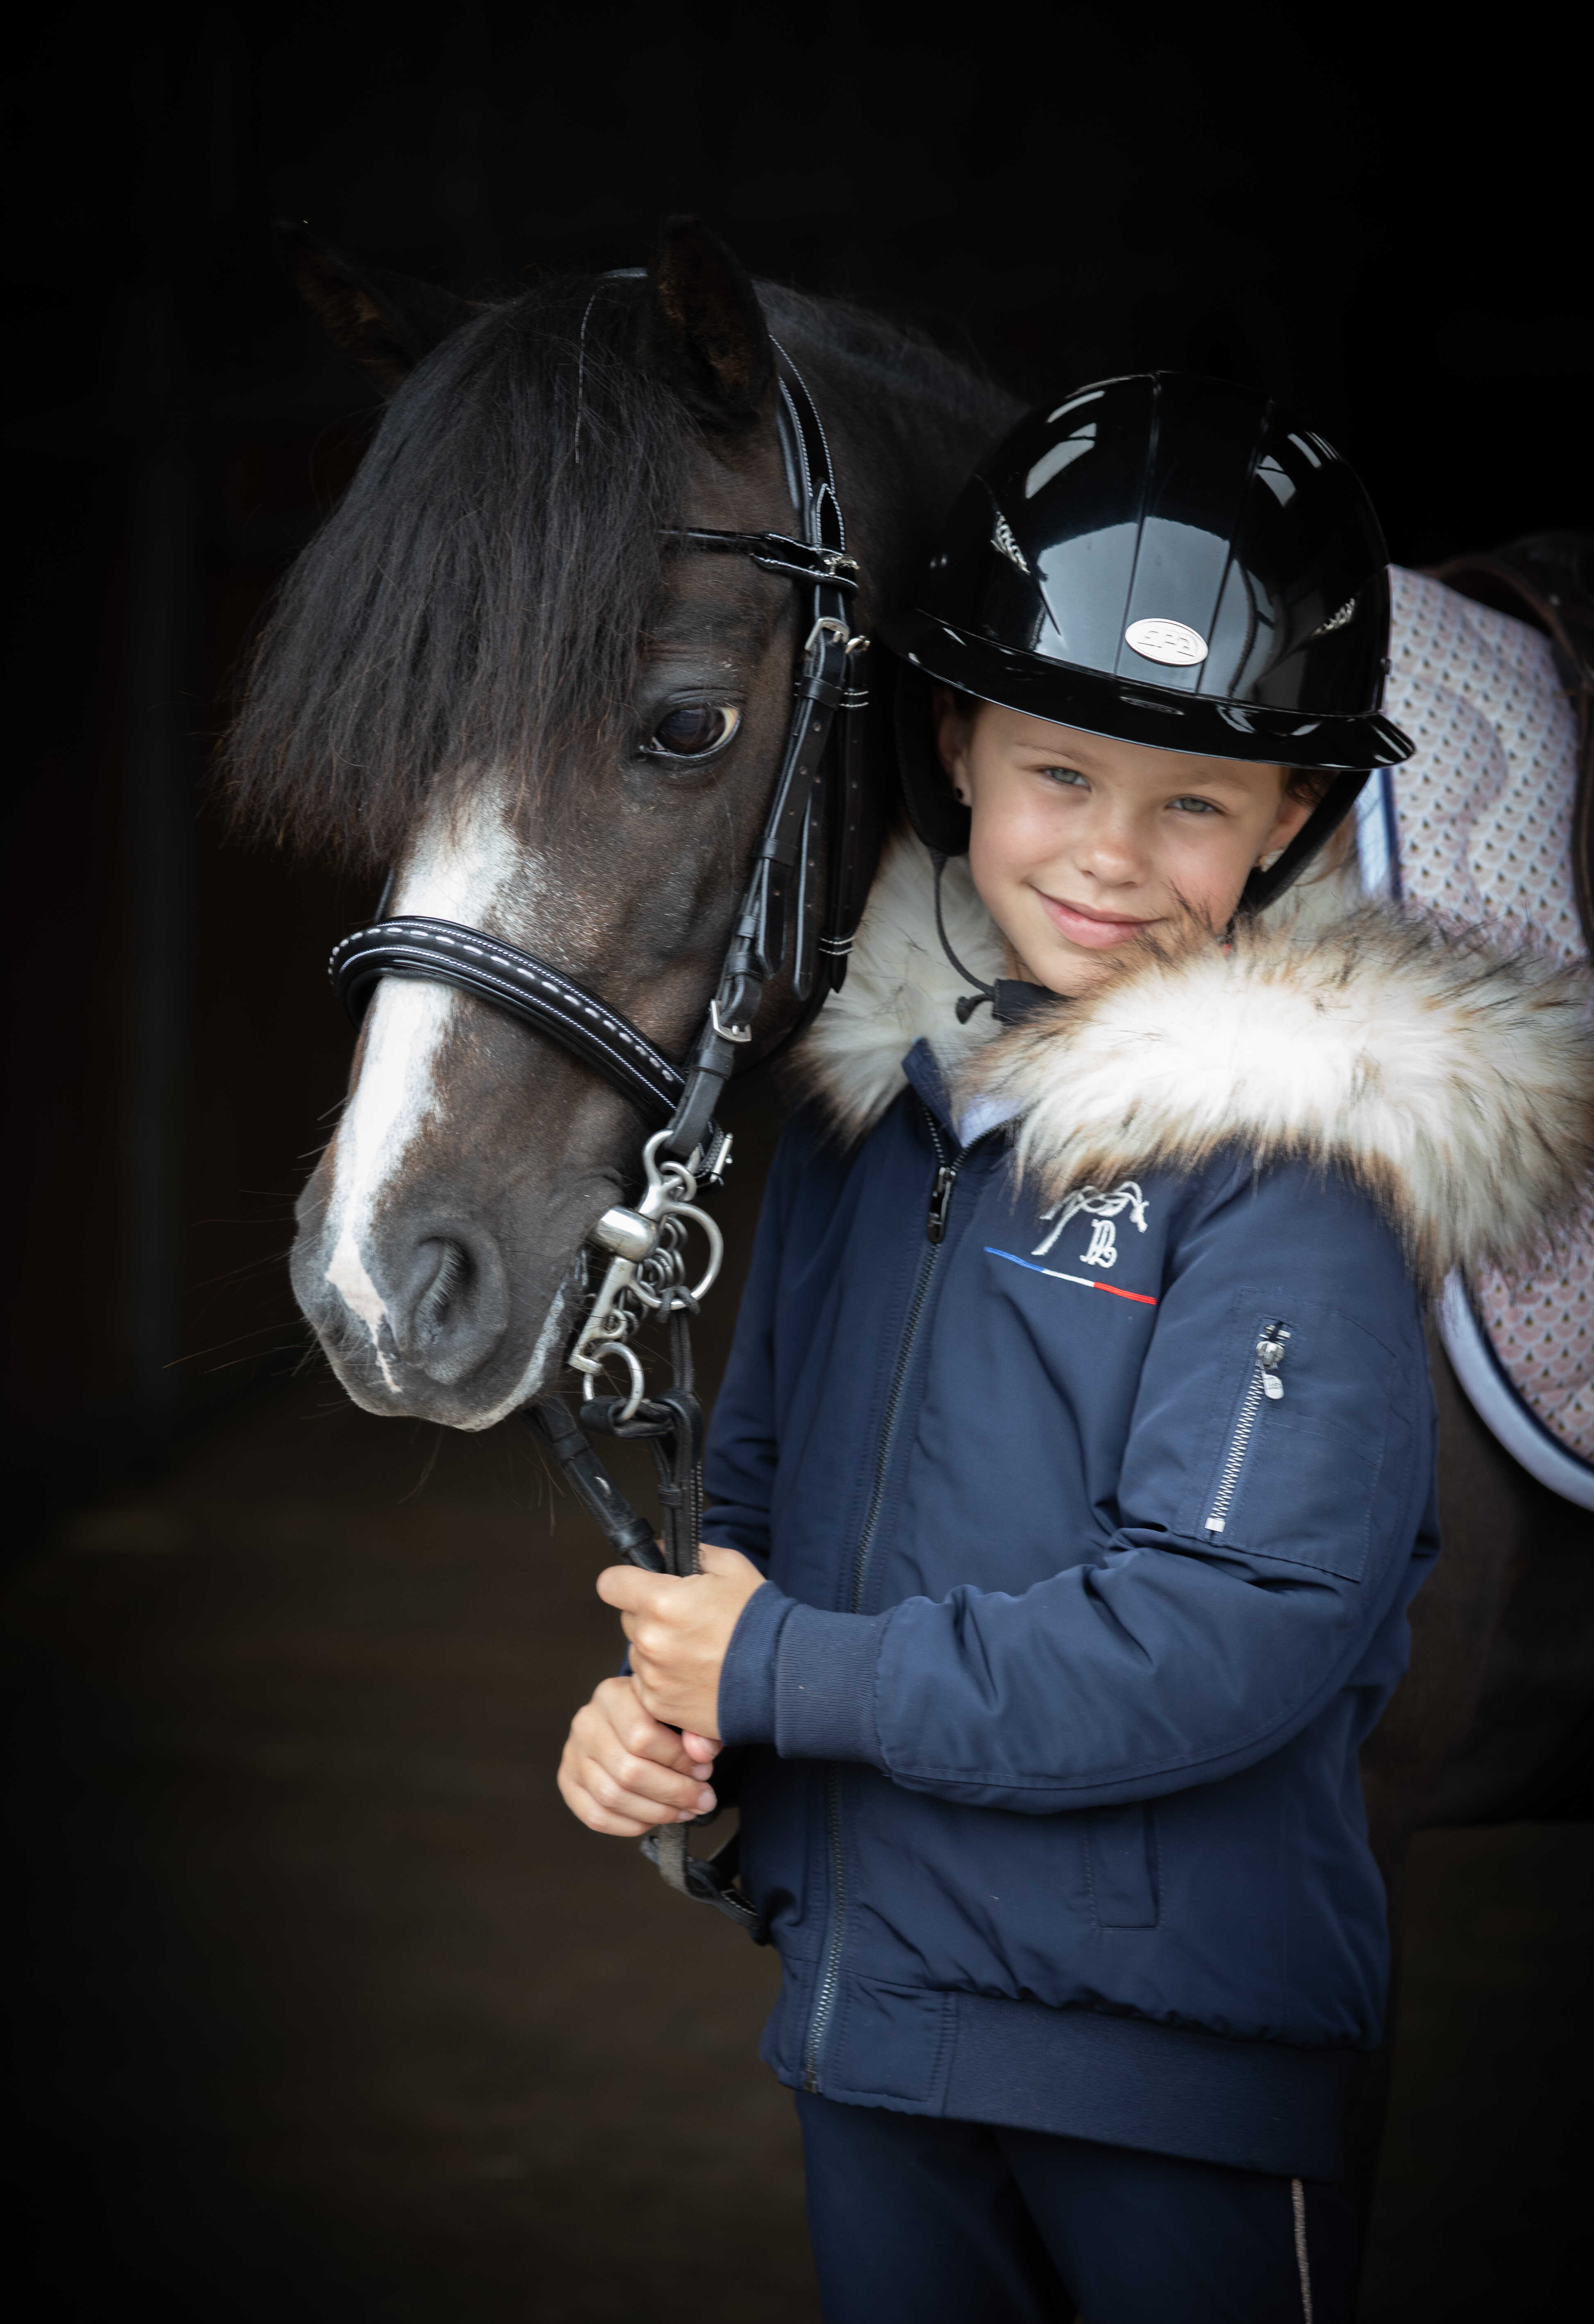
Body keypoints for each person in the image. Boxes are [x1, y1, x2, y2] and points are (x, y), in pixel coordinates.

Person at [556, 375, 1590, 2321]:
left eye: (1192, 798)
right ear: (953, 749)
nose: (1111, 853)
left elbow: (1236, 1629)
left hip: (1170, 2079)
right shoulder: (865, 1140)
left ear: (1294, 816)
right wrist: (676, 1734)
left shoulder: (1295, 1177)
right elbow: (753, 1532)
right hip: (870, 2036)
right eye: (1060, 774)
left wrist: (776, 1663)